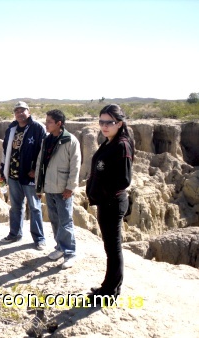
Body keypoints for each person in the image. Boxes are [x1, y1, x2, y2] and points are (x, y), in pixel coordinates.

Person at [86, 104, 134, 299]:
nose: (104, 126)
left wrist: (103, 193)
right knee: (110, 249)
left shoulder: (121, 145)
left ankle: (111, 292)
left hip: (112, 204)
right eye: (102, 122)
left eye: (109, 122)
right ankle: (108, 286)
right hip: (106, 202)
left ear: (119, 123)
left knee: (114, 250)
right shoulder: (110, 141)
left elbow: (124, 180)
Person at [35, 109, 81, 269]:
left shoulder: (70, 141)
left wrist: (70, 187)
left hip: (63, 189)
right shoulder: (47, 140)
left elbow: (75, 167)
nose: (46, 124)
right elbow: (41, 163)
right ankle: (60, 247)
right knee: (54, 219)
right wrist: (39, 187)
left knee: (65, 221)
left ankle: (70, 253)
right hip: (50, 187)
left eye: (49, 121)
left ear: (58, 124)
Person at [0, 101, 46, 250]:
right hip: (13, 175)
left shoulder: (37, 128)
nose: (19, 113)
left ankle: (39, 239)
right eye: (17, 111)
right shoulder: (11, 129)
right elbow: (6, 151)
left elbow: (44, 152)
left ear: (29, 111)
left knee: (35, 208)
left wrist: (36, 170)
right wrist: (3, 171)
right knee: (16, 207)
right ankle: (15, 233)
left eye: (22, 110)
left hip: (30, 176)